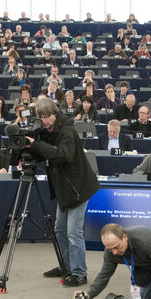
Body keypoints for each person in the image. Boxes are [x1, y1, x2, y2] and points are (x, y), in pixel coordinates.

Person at [29, 98, 100, 287]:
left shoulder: (67, 130)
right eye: (40, 117)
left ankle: (79, 273)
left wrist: (36, 145)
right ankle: (66, 266)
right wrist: (32, 142)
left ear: (54, 114)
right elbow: (44, 152)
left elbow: (63, 155)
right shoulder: (48, 130)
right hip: (64, 190)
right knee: (60, 230)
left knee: (73, 232)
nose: (42, 121)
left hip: (78, 188)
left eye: (45, 117)